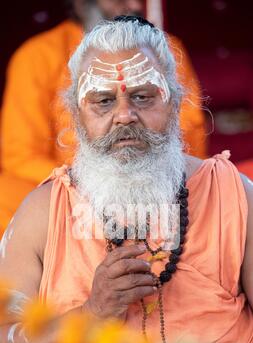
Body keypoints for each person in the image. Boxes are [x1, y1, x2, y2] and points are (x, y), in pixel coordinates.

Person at [0, 17, 244, 343]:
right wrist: (93, 313)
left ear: (174, 102)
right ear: (77, 113)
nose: (125, 115)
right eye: (103, 101)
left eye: (143, 96)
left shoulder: (235, 195)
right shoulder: (43, 212)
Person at [0, 0, 206, 238]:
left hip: (158, 181)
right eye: (104, 100)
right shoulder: (37, 56)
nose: (134, 5)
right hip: (73, 187)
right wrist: (84, 183)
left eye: (142, 96)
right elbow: (20, 155)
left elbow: (192, 133)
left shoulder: (161, 52)